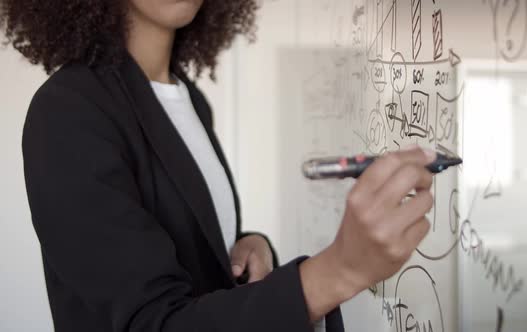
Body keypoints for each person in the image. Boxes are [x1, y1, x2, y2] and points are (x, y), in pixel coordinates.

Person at [1, 0, 436, 331]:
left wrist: (249, 244)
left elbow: (192, 245)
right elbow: (153, 322)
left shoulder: (190, 100)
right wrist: (340, 270)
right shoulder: (70, 110)